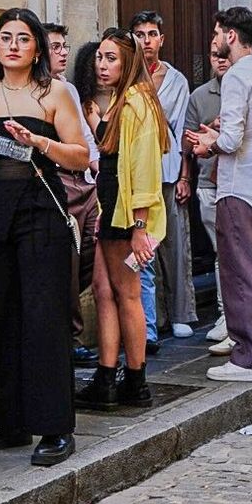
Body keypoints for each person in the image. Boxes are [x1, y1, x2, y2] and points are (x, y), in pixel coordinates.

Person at [0, 9, 91, 463]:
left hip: (40, 209)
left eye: (23, 38)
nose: (13, 45)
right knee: (0, 314)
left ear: (37, 49)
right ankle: (9, 421)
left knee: (43, 316)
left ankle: (55, 426)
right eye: (6, 38)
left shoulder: (54, 93)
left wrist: (39, 143)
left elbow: (81, 156)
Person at [187, 7, 252, 382]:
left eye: (217, 33)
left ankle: (248, 358)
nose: (214, 40)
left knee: (242, 273)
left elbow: (231, 140)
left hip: (240, 185)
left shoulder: (238, 76)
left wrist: (208, 143)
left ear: (230, 35)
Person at [75, 28, 169, 410]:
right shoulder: (120, 99)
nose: (101, 64)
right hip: (111, 210)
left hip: (126, 215)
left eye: (111, 58)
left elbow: (144, 169)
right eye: (100, 56)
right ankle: (108, 376)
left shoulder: (137, 103)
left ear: (128, 62)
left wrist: (140, 227)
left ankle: (135, 380)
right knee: (103, 290)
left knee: (127, 294)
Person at [130, 12, 195, 343]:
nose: (146, 40)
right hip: (136, 172)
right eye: (140, 34)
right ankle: (152, 317)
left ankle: (181, 312)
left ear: (161, 39)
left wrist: (185, 175)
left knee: (174, 243)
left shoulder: (176, 79)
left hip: (168, 168)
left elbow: (183, 129)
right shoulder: (126, 75)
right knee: (143, 245)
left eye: (152, 34)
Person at [45, 23, 102, 347]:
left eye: (65, 46)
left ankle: (64, 320)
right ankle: (72, 337)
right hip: (61, 181)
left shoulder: (69, 88)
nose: (64, 52)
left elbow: (84, 135)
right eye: (55, 47)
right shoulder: (41, 92)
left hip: (86, 183)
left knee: (95, 251)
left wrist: (98, 169)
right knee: (68, 259)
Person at [184, 44, 230, 340]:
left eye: (225, 55)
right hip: (210, 183)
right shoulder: (199, 96)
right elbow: (186, 145)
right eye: (215, 56)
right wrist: (209, 130)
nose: (221, 61)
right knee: (221, 251)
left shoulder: (251, 88)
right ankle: (226, 313)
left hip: (243, 183)